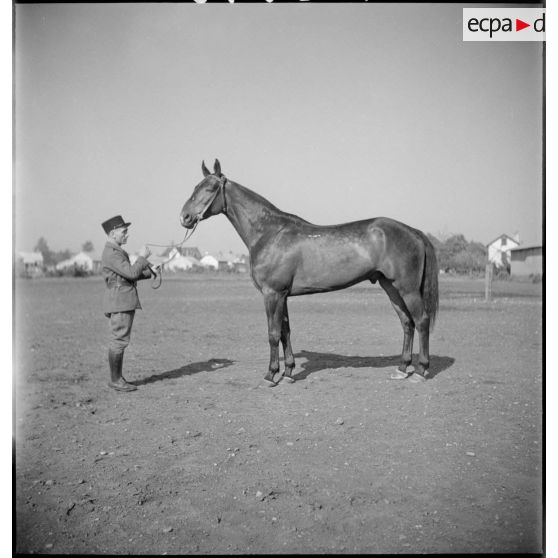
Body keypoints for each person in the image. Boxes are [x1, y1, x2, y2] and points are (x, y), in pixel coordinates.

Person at [101, 215, 154, 392]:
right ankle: (116, 380)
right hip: (120, 301)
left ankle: (117, 378)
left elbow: (128, 274)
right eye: (124, 232)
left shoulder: (115, 252)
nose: (127, 235)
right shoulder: (111, 253)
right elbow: (131, 273)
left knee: (120, 339)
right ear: (113, 233)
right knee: (119, 340)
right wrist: (142, 257)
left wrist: (150, 271)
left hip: (121, 299)